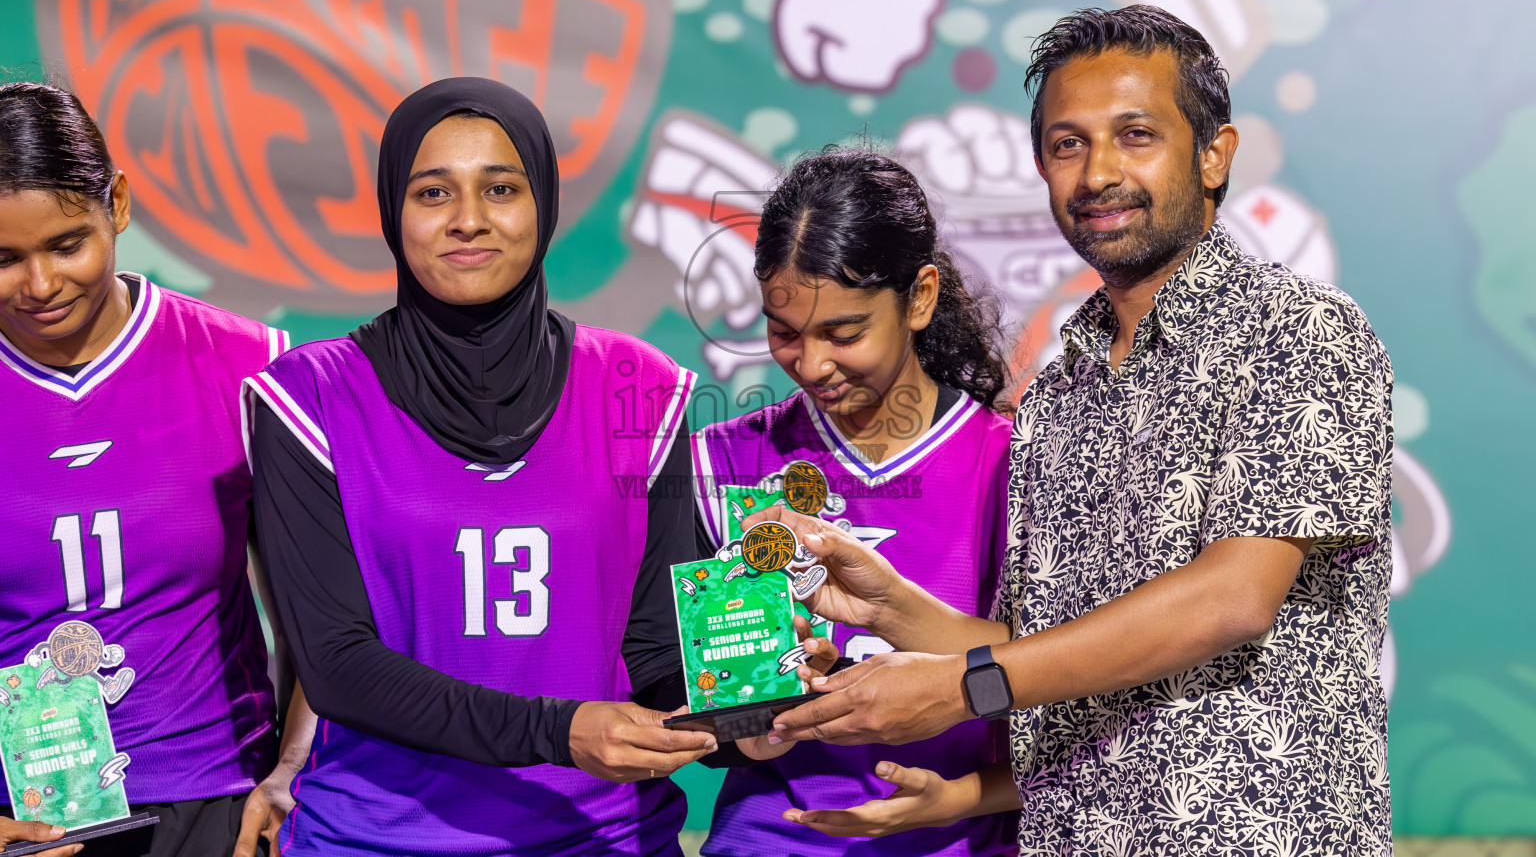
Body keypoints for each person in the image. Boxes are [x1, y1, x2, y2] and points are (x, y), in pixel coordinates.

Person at [754, 5, 1394, 855]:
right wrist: (894, 605)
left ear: (1214, 154)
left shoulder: (1299, 330)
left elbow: (1231, 600)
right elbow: (1041, 652)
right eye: (1067, 143)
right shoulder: (1055, 398)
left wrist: (965, 688)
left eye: (1135, 135)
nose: (1098, 172)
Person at [246, 77, 719, 856]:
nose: (469, 220)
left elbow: (657, 650)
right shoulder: (310, 397)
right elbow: (335, 665)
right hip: (377, 841)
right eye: (433, 193)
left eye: (501, 188)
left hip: (602, 839)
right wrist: (561, 731)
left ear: (546, 206)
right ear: (392, 211)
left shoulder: (643, 388)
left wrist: (749, 712)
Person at [0, 81, 316, 857]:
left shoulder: (251, 367)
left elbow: (322, 625)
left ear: (119, 204)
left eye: (66, 244)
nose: (40, 286)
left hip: (219, 806)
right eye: (3, 258)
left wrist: (292, 776)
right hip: (22, 826)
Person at [688, 148, 1017, 855]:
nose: (811, 365)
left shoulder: (1014, 462)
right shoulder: (720, 462)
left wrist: (961, 799)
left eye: (844, 333)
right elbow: (693, 708)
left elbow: (1080, 687)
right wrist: (753, 727)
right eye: (784, 334)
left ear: (920, 297)